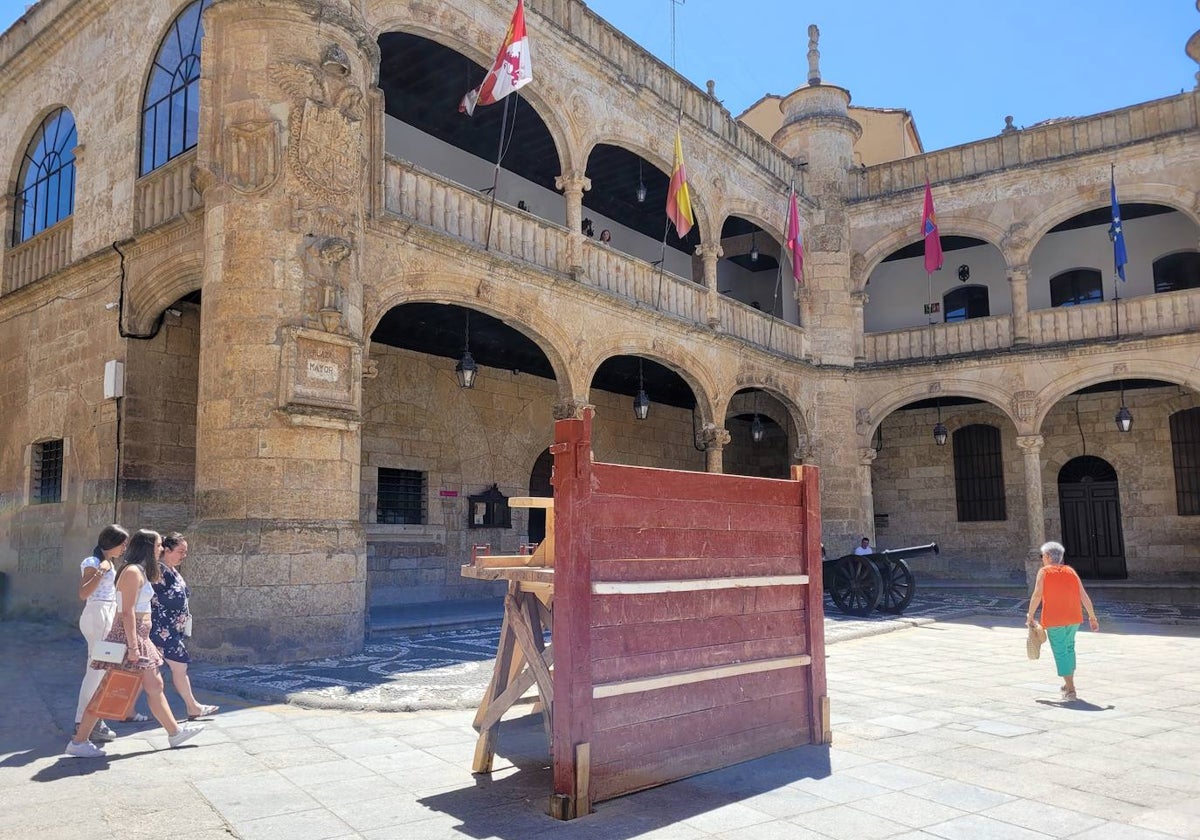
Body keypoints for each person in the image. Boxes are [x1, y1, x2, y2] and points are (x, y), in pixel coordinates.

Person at [64, 529, 204, 757]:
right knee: (106, 688)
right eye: (159, 545)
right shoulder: (131, 572)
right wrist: (132, 647)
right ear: (148, 547)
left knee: (155, 686)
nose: (161, 549)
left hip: (138, 637)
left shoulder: (138, 571)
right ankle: (79, 742)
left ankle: (175, 732)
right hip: (130, 637)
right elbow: (127, 612)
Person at [152, 532, 218, 721]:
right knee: (177, 667)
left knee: (150, 674)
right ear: (167, 550)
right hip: (161, 629)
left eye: (185, 551)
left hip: (171, 629)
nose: (184, 555)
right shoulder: (158, 571)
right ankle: (192, 706)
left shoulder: (171, 570)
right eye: (181, 551)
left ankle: (127, 710)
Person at [74, 524, 129, 743]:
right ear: (112, 542)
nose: (125, 547)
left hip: (105, 614)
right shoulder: (94, 562)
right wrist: (102, 570)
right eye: (123, 543)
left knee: (101, 670)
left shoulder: (107, 562)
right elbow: (83, 592)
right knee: (96, 671)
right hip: (97, 615)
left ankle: (92, 720)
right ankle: (84, 721)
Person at [1025, 540, 1100, 701]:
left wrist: (1030, 615)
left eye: (1042, 556)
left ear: (1046, 556)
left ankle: (1071, 689)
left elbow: (1037, 594)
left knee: (1060, 652)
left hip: (1055, 619)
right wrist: (1092, 617)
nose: (1042, 559)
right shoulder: (1070, 571)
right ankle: (1068, 684)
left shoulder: (1044, 572)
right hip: (1073, 618)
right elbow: (1083, 595)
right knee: (1069, 648)